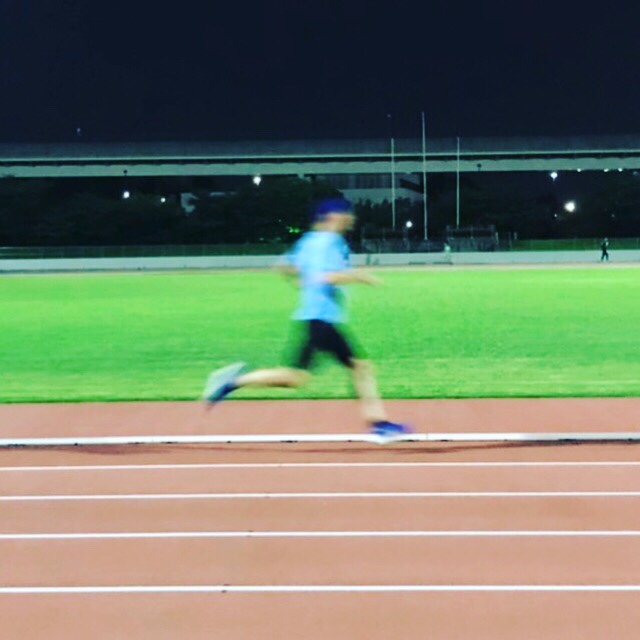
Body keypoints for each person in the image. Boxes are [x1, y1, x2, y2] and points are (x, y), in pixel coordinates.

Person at [202, 197, 412, 442]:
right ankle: (379, 425)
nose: (351, 218)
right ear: (333, 216)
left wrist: (303, 283)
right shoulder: (331, 241)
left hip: (313, 317)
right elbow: (326, 276)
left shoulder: (308, 241)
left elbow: (284, 267)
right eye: (346, 214)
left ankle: (231, 382)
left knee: (294, 377)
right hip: (323, 318)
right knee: (360, 367)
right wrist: (360, 277)